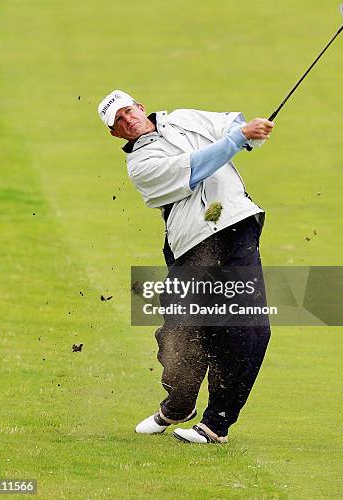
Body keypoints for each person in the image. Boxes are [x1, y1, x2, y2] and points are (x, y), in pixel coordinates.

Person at [98, 89, 274, 444]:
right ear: (115, 134)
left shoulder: (184, 117)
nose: (127, 119)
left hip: (237, 227)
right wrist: (238, 139)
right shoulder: (140, 166)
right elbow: (196, 168)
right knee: (180, 333)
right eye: (118, 120)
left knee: (246, 329)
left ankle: (216, 425)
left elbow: (229, 124)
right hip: (192, 243)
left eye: (128, 111)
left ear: (140, 107)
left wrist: (250, 131)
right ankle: (178, 405)